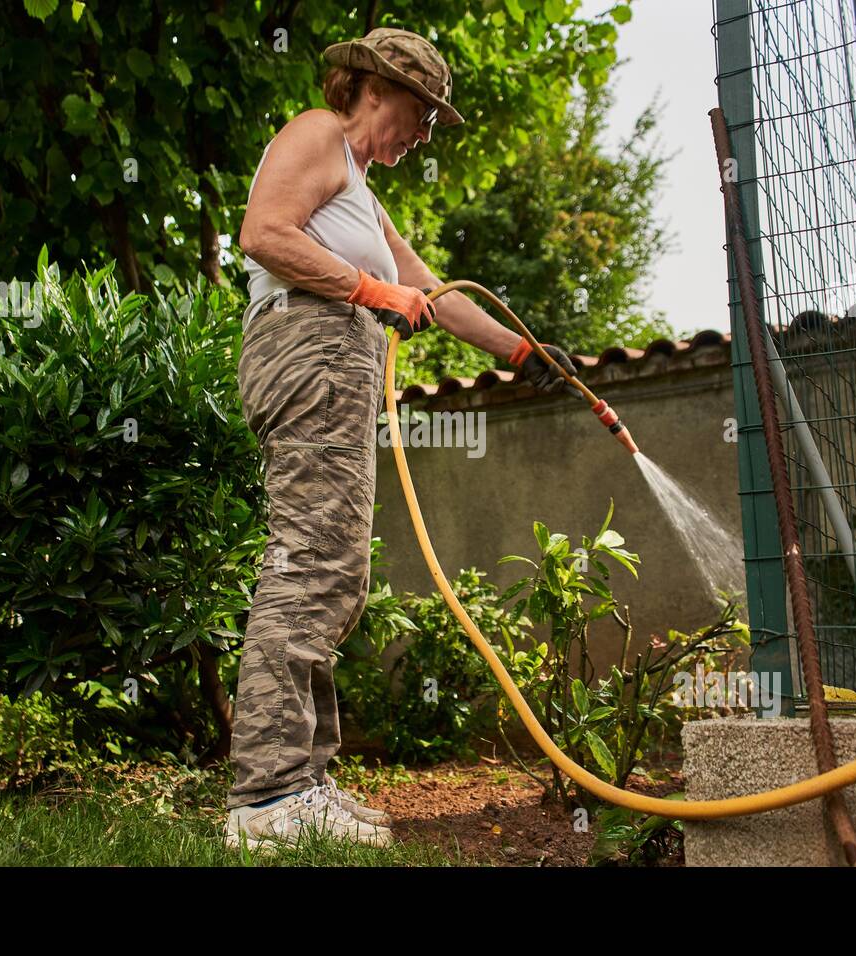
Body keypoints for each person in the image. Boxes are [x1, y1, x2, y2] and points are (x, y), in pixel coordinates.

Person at [223, 26, 580, 851]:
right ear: (374, 88)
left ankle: (304, 783)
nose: (423, 137)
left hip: (335, 364)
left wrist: (522, 353)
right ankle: (267, 797)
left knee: (336, 569)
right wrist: (369, 290)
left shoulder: (360, 191)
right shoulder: (316, 132)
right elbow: (264, 234)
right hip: (306, 352)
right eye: (422, 116)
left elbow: (431, 290)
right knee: (309, 561)